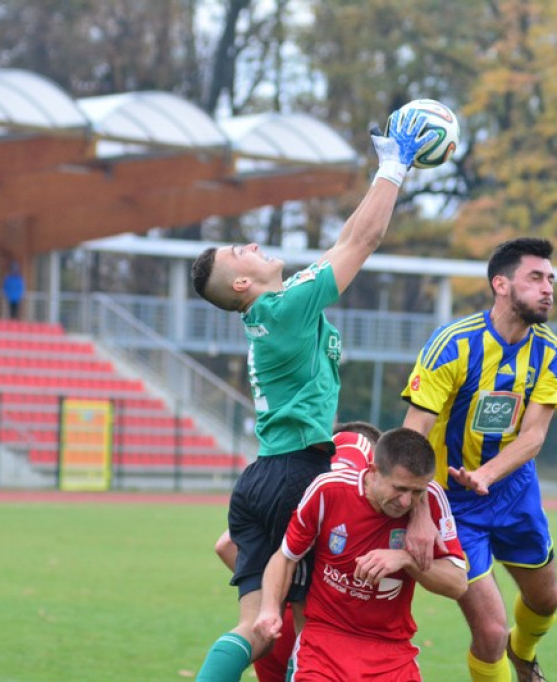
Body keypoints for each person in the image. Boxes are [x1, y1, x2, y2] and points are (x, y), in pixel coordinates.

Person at [191, 110, 439, 682]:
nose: (253, 243)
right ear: (242, 285)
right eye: (240, 252)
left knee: (255, 628)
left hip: (259, 480)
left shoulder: (278, 309)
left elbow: (343, 242)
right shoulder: (285, 308)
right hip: (298, 474)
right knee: (318, 632)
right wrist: (395, 167)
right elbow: (364, 239)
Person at [401, 237, 557, 682]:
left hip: (513, 491)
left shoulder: (551, 352)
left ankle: (524, 653)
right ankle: (504, 653)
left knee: (547, 600)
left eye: (551, 278)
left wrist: (487, 474)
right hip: (452, 504)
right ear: (501, 284)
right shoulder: (452, 345)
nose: (548, 288)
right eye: (536, 277)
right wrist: (419, 514)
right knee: (490, 631)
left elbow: (533, 436)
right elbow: (412, 436)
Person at [253, 427, 467, 681]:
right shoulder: (328, 491)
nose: (406, 502)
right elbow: (286, 557)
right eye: (399, 489)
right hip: (325, 644)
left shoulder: (431, 499)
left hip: (392, 651)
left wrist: (406, 559)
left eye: (416, 491)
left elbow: (457, 584)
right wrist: (268, 609)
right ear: (373, 470)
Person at [212, 422, 382, 682]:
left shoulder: (309, 467)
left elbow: (225, 545)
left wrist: (277, 588)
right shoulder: (356, 462)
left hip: (272, 624)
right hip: (323, 629)